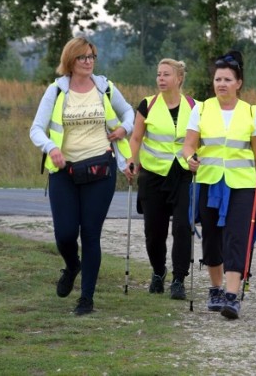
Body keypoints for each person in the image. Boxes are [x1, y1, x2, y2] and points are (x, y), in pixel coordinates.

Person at [30, 37, 134, 316]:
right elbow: (36, 129)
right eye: (82, 57)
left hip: (100, 169)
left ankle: (86, 298)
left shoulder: (105, 87)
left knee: (90, 233)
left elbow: (128, 113)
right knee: (65, 233)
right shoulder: (56, 90)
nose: (88, 62)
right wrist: (51, 147)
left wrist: (125, 128)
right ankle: (72, 265)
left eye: (92, 57)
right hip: (64, 171)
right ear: (70, 61)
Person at [182, 51, 256, 320]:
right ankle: (215, 288)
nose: (221, 84)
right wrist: (190, 158)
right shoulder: (201, 109)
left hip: (242, 184)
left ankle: (232, 297)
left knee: (238, 237)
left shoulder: (250, 112)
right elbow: (189, 144)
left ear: (238, 83)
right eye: (217, 79)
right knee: (211, 236)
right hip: (209, 180)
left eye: (227, 79)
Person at [125, 59, 195, 300]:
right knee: (154, 231)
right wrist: (132, 160)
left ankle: (179, 279)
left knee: (183, 227)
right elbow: (136, 138)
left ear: (179, 78)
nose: (161, 79)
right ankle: (158, 271)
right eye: (158, 75)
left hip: (184, 174)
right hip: (153, 175)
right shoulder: (147, 104)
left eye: (166, 74)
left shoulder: (195, 106)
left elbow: (200, 139)